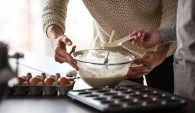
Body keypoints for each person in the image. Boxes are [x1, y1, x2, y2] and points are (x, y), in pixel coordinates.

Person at [42, 0, 177, 93]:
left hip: (162, 49)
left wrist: (160, 53)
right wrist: (55, 38)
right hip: (108, 56)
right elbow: (53, 7)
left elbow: (174, 9)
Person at [129, 0, 195, 100]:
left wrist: (161, 51)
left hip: (183, 61)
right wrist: (162, 34)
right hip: (184, 63)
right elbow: (187, 22)